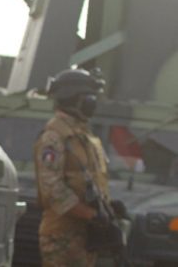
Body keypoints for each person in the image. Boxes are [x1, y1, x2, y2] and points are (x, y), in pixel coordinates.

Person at [34, 68, 119, 266]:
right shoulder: (54, 136)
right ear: (73, 99)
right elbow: (52, 190)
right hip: (62, 237)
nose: (93, 103)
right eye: (90, 98)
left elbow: (89, 180)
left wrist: (108, 209)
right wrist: (92, 215)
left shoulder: (82, 135)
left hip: (84, 236)